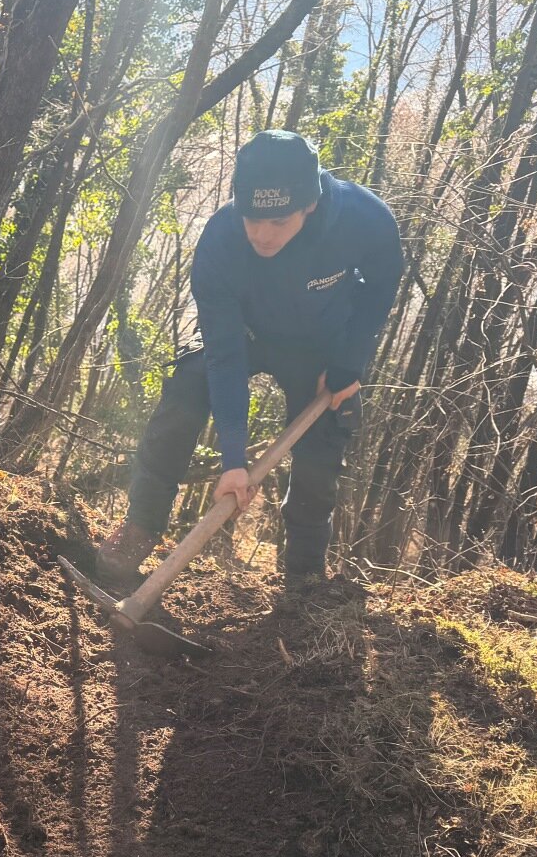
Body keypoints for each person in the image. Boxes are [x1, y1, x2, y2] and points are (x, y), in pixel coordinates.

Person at [96, 130, 403, 603]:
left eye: (278, 221)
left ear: (309, 206)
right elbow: (223, 351)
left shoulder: (366, 219)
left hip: (321, 348)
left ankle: (303, 579)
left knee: (320, 456)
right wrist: (234, 460)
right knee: (186, 389)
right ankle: (140, 526)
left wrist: (350, 361)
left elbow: (381, 286)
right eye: (251, 218)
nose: (261, 234)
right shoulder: (220, 241)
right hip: (246, 334)